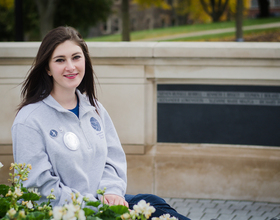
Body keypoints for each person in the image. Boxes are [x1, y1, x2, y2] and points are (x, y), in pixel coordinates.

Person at [12, 26, 190, 220]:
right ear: (47, 68)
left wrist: (112, 192)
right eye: (60, 60)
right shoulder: (29, 120)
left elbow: (112, 159)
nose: (70, 66)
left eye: (76, 57)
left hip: (103, 204)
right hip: (70, 213)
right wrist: (98, 209)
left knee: (154, 203)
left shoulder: (94, 108)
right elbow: (41, 189)